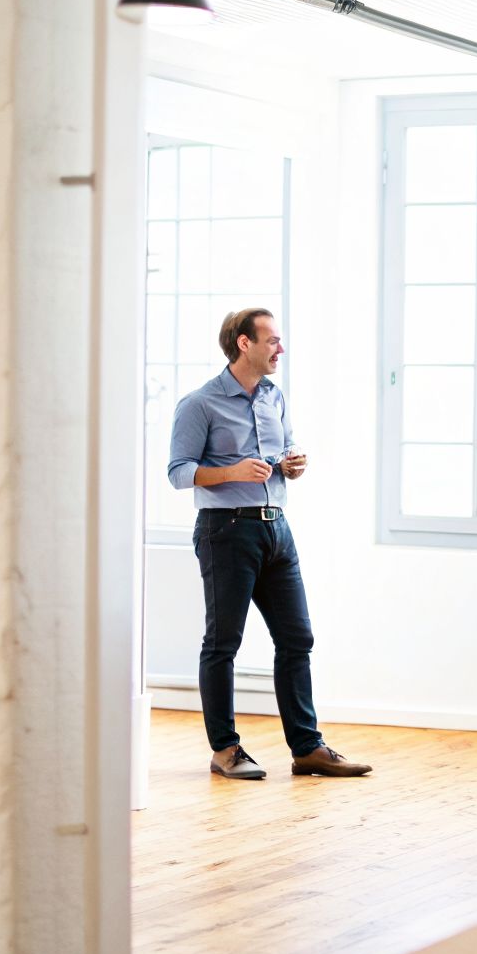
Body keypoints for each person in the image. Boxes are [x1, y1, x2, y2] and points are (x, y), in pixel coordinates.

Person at [167, 308, 370, 780]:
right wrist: (231, 472)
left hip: (277, 528)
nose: (280, 349)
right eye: (273, 340)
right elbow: (178, 471)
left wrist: (291, 464)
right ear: (244, 343)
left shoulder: (274, 397)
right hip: (226, 531)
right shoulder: (199, 404)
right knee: (223, 643)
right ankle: (225, 751)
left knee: (297, 639)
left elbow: (283, 451)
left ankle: (307, 748)